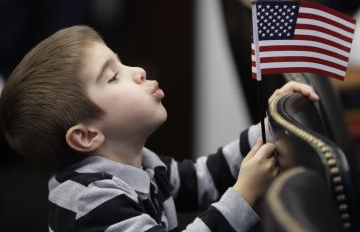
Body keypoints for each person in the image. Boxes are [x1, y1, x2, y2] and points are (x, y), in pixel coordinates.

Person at [0, 25, 319, 232]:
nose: (137, 71)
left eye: (121, 62)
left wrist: (270, 125)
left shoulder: (139, 163)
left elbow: (203, 178)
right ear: (86, 136)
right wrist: (244, 196)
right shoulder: (93, 200)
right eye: (113, 76)